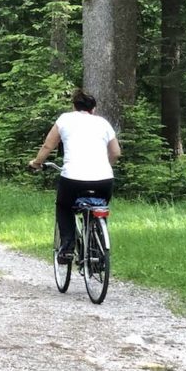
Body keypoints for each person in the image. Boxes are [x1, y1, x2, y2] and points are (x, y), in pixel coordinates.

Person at [29, 88, 121, 262]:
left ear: (74, 106)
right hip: (104, 179)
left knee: (64, 206)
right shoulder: (103, 123)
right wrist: (105, 166)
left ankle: (68, 247)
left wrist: (37, 163)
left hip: (73, 178)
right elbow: (116, 153)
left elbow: (48, 146)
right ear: (93, 109)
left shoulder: (65, 119)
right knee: (98, 208)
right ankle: (96, 248)